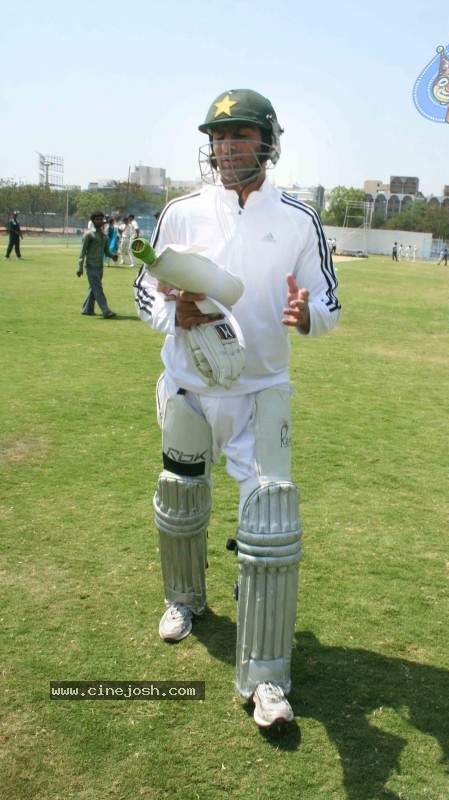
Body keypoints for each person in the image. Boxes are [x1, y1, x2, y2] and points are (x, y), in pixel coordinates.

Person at [134, 88, 340, 728]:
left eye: (239, 135)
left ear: (268, 142)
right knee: (180, 496)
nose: (225, 148)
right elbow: (145, 293)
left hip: (262, 392)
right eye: (217, 138)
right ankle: (184, 599)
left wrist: (307, 315)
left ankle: (267, 679)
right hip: (189, 385)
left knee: (271, 520)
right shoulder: (181, 212)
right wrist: (173, 313)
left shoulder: (300, 219)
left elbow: (329, 304)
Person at [77, 210, 118, 317]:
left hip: (100, 267)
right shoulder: (88, 235)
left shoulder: (104, 235)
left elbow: (106, 251)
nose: (99, 221)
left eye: (101, 219)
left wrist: (113, 256)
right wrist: (80, 267)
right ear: (93, 221)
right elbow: (82, 252)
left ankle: (87, 310)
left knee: (93, 288)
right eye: (97, 219)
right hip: (91, 266)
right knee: (98, 289)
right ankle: (106, 311)